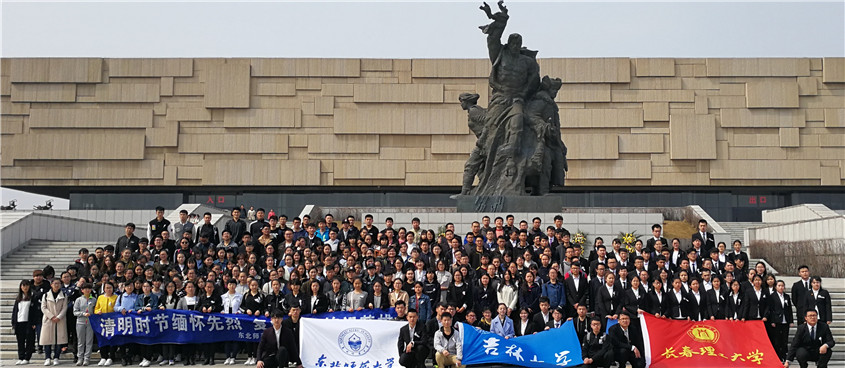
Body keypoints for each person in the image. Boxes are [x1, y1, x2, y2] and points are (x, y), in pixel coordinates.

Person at [41, 279, 68, 366]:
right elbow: (43, 307)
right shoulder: (46, 295)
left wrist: (59, 317)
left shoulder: (64, 295)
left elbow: (65, 308)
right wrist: (51, 316)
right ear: (51, 284)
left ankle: (56, 357)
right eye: (55, 283)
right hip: (48, 319)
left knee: (59, 339)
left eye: (58, 283)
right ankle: (47, 357)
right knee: (47, 340)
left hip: (60, 320)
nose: (57, 285)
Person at [768, 280, 794, 362]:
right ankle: (778, 355)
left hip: (785, 320)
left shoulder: (786, 296)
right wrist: (772, 321)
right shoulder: (772, 296)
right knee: (777, 340)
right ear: (775, 287)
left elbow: (789, 309)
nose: (781, 287)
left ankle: (784, 355)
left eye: (782, 286)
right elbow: (771, 310)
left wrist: (791, 321)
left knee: (784, 339)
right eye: (779, 286)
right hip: (776, 320)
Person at [13, 280, 37, 365]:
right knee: (20, 341)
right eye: (23, 285)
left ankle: (27, 358)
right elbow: (15, 311)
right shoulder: (18, 298)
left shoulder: (33, 297)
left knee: (29, 341)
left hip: (28, 322)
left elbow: (35, 311)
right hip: (19, 322)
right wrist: (13, 323)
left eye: (27, 285)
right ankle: (21, 357)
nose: (25, 287)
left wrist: (34, 322)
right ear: (21, 287)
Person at [176, 282, 200, 366]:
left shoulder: (198, 299)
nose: (190, 289)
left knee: (193, 341)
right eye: (188, 287)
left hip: (195, 323)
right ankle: (186, 358)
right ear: (185, 289)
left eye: (192, 287)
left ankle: (192, 358)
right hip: (185, 323)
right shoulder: (182, 299)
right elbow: (178, 310)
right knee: (185, 341)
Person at [72, 283, 96, 367]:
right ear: (82, 290)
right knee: (81, 341)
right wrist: (83, 314)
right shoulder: (78, 300)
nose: (87, 290)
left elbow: (96, 310)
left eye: (89, 288)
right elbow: (75, 312)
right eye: (85, 289)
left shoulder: (94, 299)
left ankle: (87, 358)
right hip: (80, 322)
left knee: (89, 341)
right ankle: (80, 358)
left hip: (90, 322)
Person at [94, 283, 117, 366]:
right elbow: (96, 309)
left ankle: (111, 357)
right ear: (104, 289)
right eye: (107, 288)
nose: (108, 289)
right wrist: (98, 312)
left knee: (112, 339)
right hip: (102, 322)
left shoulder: (116, 297)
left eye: (110, 287)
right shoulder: (100, 297)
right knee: (102, 339)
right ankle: (103, 357)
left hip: (112, 321)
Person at [158, 282, 181, 366]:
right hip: (164, 321)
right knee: (164, 340)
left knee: (172, 340)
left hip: (173, 321)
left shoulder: (177, 297)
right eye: (168, 286)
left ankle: (171, 358)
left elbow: (178, 309)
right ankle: (165, 358)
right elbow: (158, 306)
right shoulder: (162, 297)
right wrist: (160, 307)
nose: (170, 288)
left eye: (172, 286)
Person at [220, 280, 243, 365]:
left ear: (236, 286)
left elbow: (242, 307)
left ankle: (233, 357)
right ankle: (227, 357)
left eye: (233, 284)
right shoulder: (223, 296)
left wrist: (239, 312)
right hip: (226, 320)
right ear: (227, 286)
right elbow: (221, 307)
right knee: (227, 339)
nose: (232, 286)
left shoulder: (240, 296)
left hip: (236, 319)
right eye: (230, 284)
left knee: (235, 339)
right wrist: (222, 311)